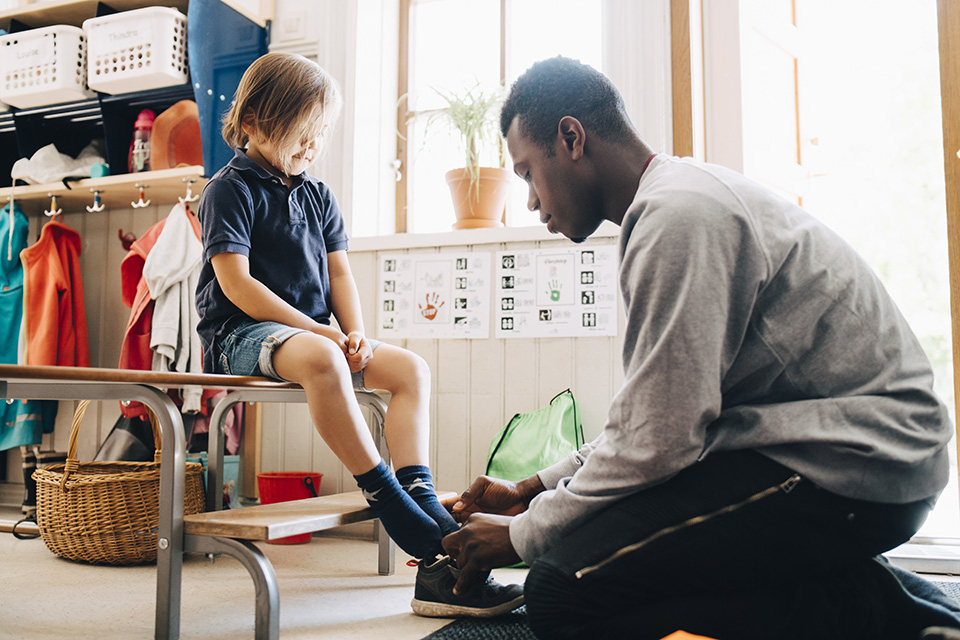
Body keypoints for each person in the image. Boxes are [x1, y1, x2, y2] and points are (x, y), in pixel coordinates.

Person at [441, 56, 960, 639]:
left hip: (861, 461)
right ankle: (889, 602)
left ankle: (869, 617)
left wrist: (520, 534)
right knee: (595, 549)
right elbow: (649, 417)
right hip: (824, 450)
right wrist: (534, 487)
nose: (533, 203)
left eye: (528, 173)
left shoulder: (679, 219)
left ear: (571, 137)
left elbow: (657, 443)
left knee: (563, 587)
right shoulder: (674, 202)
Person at [194, 52, 523, 618]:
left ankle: (418, 491)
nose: (310, 147)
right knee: (324, 356)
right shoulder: (229, 189)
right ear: (251, 122)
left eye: (318, 136)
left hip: (312, 336)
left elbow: (340, 273)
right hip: (242, 332)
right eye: (300, 134)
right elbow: (238, 284)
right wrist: (321, 332)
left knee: (409, 369)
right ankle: (390, 501)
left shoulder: (317, 194)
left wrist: (357, 334)